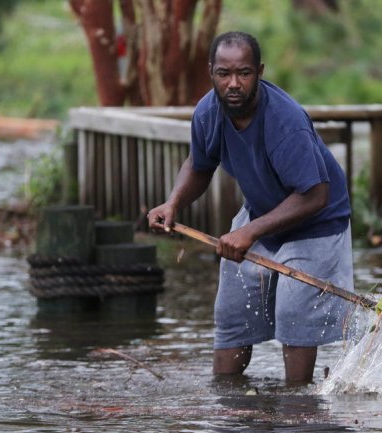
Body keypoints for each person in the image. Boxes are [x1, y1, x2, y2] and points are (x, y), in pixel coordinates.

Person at [147, 31, 353, 384]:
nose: (233, 84)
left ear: (259, 71)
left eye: (243, 73)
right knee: (231, 314)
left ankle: (295, 404)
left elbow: (315, 195)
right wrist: (173, 202)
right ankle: (227, 403)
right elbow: (199, 164)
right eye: (223, 74)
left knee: (294, 314)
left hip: (316, 223)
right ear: (211, 71)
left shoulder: (285, 123)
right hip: (260, 213)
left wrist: (249, 231)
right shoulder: (208, 113)